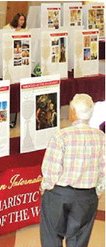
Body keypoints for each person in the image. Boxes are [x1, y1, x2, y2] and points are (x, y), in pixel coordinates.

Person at [40, 94, 104, 247]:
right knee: (78, 239)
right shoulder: (101, 137)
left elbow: (51, 169)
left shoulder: (61, 136)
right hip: (87, 196)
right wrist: (99, 188)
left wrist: (45, 187)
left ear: (73, 112)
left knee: (51, 236)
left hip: (58, 194)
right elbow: (104, 168)